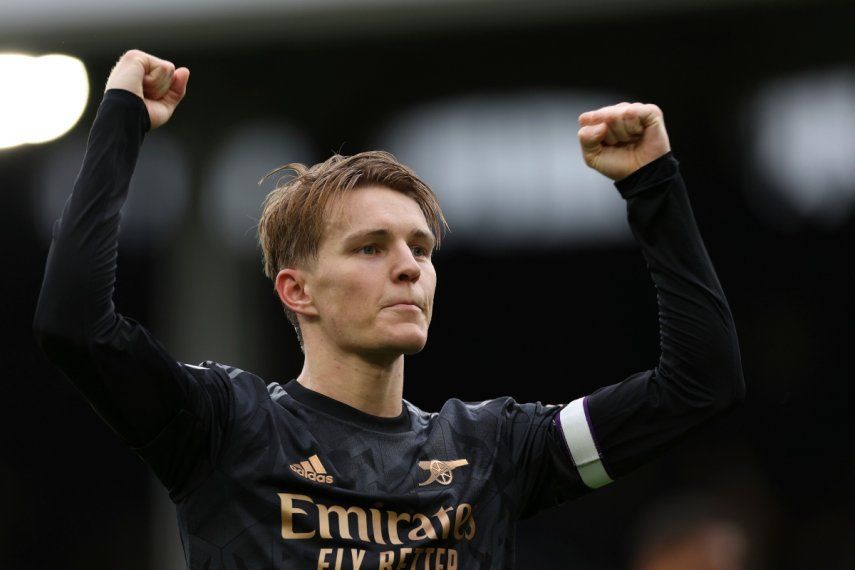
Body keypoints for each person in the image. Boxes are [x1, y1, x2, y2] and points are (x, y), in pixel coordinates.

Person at [33, 50, 744, 569]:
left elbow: (697, 385)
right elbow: (74, 324)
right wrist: (121, 117)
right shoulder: (224, 427)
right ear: (296, 291)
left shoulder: (495, 452)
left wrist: (653, 185)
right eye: (370, 248)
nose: (409, 265)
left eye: (421, 248)